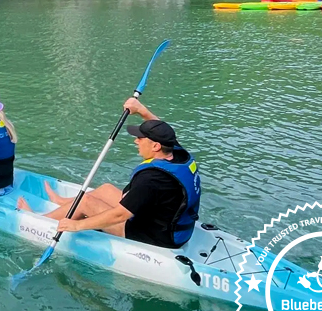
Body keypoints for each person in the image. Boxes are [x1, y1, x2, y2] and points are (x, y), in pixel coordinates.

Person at [16, 98, 200, 249]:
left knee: (86, 202)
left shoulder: (152, 179)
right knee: (106, 189)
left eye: (140, 138)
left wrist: (77, 225)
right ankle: (63, 202)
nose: (136, 141)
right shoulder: (178, 155)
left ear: (155, 146)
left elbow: (120, 215)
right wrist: (141, 110)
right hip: (167, 224)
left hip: (155, 235)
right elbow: (163, 130)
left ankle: (39, 221)